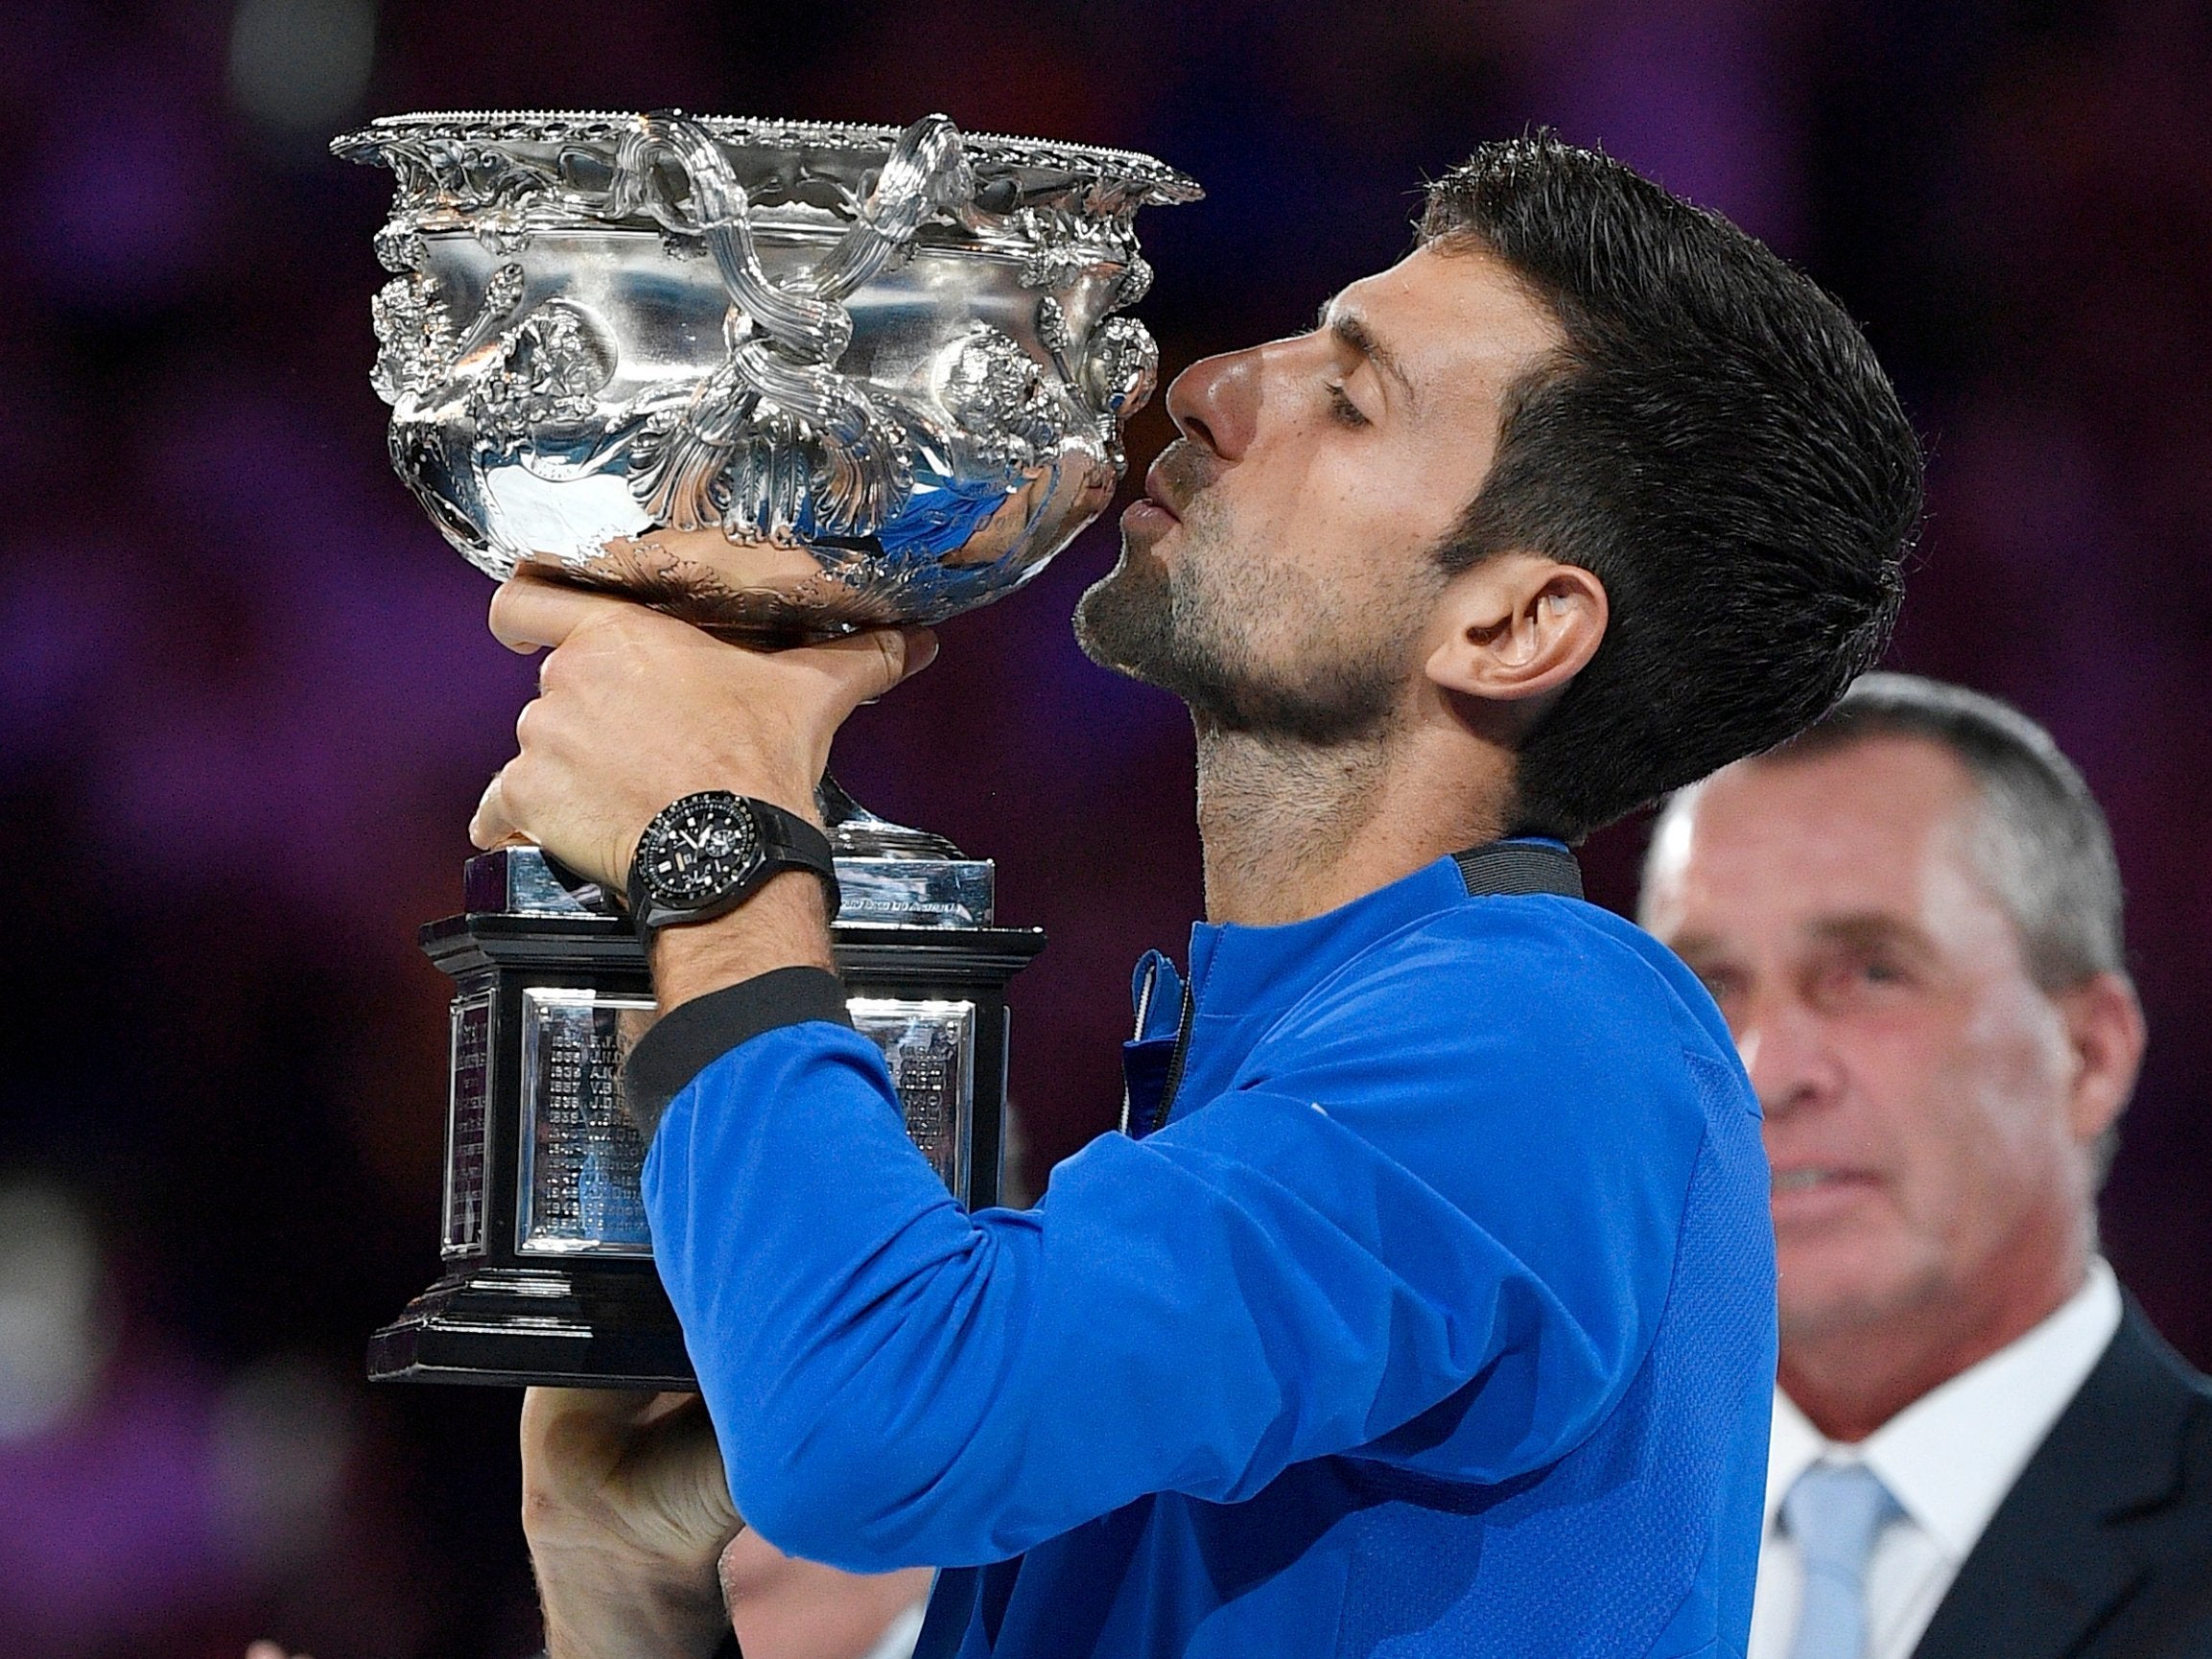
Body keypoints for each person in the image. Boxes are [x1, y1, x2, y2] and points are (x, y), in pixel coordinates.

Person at [477, 133, 1921, 1658]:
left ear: (1511, 624)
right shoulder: (1270, 1065)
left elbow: (873, 1428)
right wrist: (624, 1593)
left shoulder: (1555, 1032)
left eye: (1349, 396)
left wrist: (722, 837)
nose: (1213, 385)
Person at [1638, 673, 2212, 1659]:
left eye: (1869, 971)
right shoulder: (1491, 1552)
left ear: (2088, 1055)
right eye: (1709, 989)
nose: (1763, 1071)